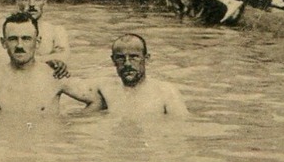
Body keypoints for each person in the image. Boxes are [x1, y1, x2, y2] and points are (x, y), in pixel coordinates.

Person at [57, 33, 189, 117]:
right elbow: (62, 83)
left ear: (146, 58)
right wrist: (55, 64)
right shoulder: (105, 87)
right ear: (113, 60)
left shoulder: (166, 91)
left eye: (134, 57)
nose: (127, 63)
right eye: (120, 58)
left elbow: (179, 131)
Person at [0, 12, 62, 118]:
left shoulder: (55, 75)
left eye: (26, 38)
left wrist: (62, 127)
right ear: (3, 43)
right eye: (13, 39)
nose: (19, 45)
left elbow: (83, 95)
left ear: (37, 42)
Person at [11, 0, 69, 77]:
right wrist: (48, 60)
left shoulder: (57, 31)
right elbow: (4, 61)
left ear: (44, 3)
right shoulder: (8, 30)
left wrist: (25, 60)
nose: (32, 4)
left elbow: (64, 57)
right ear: (18, 3)